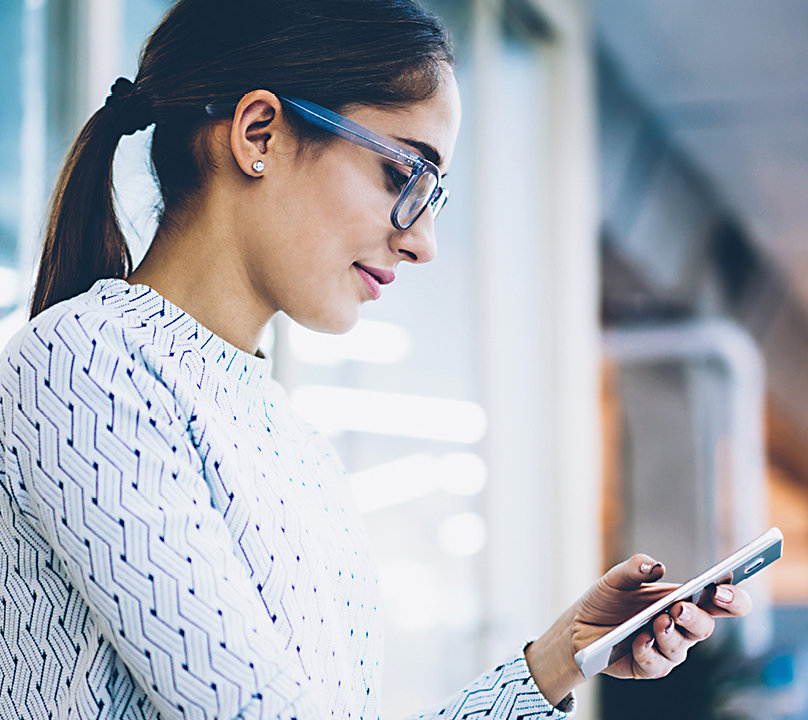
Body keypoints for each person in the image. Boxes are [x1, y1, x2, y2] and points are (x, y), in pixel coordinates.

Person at [0, 0, 752, 717]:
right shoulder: (87, 362)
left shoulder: (294, 442)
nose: (422, 240)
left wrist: (558, 658)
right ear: (259, 133)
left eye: (435, 194)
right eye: (404, 176)